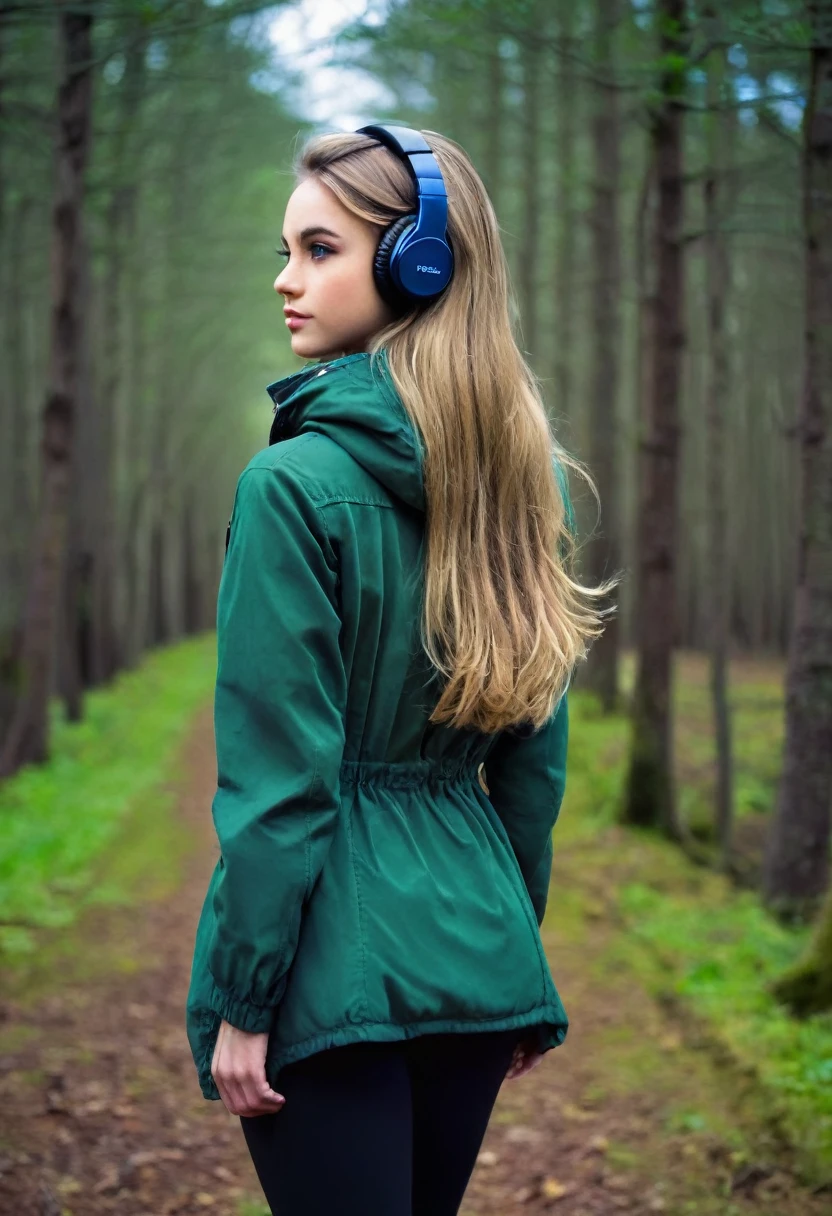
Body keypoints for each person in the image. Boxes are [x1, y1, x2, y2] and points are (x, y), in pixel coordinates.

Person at [185, 123, 615, 1215]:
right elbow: (533, 771)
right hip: (477, 939)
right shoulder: (537, 491)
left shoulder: (290, 488)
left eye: (320, 248)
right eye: (284, 251)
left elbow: (282, 784)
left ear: (420, 262)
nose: (286, 280)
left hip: (329, 966)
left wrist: (243, 997)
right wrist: (509, 956)